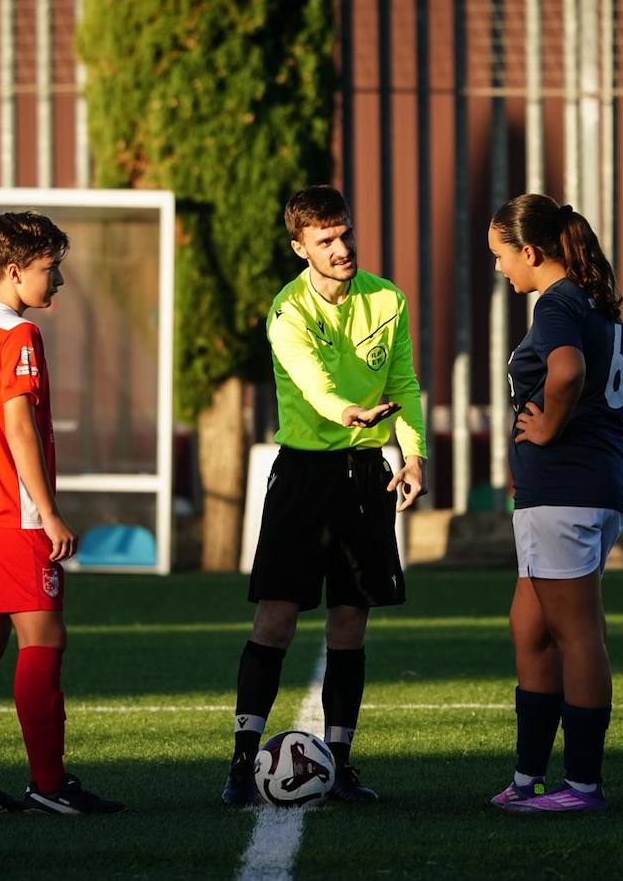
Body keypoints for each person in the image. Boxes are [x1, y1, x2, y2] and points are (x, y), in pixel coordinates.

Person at [221, 185, 427, 806]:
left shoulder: (386, 297)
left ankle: (338, 764)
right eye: (325, 241)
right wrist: (349, 411)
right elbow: (312, 385)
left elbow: (406, 383)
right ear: (299, 248)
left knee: (350, 622)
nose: (341, 249)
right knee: (276, 618)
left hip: (366, 475)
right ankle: (239, 765)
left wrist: (412, 454)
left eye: (344, 235)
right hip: (304, 477)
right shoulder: (288, 313)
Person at [0, 212, 123, 815]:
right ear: (14, 271)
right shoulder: (18, 335)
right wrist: (48, 512)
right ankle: (48, 786)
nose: (60, 281)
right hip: (7, 508)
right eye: (50, 269)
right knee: (44, 637)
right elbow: (17, 424)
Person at [485, 194, 623, 814]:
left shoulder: (558, 301)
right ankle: (527, 777)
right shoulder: (590, 300)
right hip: (581, 488)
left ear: (530, 251)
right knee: (531, 628)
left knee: (577, 632)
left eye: (501, 256)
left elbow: (566, 372)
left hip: (569, 491)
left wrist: (545, 432)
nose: (498, 269)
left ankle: (582, 785)